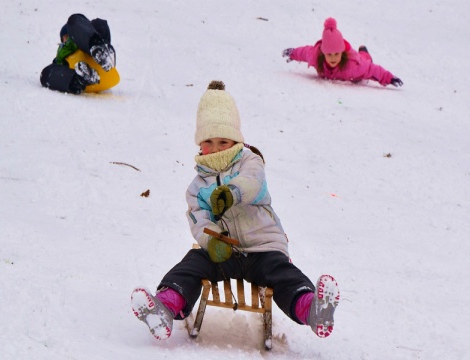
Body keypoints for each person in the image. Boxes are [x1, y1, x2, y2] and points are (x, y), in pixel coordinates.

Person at [130, 80, 340, 341]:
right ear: (199, 145)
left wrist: (233, 193)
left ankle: (313, 310)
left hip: (263, 248)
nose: (216, 148)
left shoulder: (250, 162)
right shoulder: (197, 187)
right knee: (191, 265)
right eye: (209, 141)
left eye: (223, 141)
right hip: (225, 253)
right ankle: (164, 307)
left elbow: (254, 183)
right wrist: (213, 240)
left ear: (236, 140)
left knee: (284, 275)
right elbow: (199, 220)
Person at [282, 17, 403, 87]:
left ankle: (364, 52)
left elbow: (371, 69)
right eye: (329, 54)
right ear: (323, 53)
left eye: (336, 54)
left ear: (341, 52)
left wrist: (390, 78)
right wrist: (292, 53)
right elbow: (304, 52)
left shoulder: (353, 65)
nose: (333, 58)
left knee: (364, 59)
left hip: (359, 61)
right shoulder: (315, 56)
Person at [40, 13, 116, 94]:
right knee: (46, 73)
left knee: (76, 19)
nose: (67, 40)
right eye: (65, 38)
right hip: (78, 72)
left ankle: (100, 49)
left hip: (93, 52)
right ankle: (79, 79)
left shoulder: (81, 39)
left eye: (69, 36)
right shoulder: (61, 58)